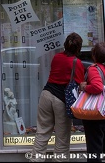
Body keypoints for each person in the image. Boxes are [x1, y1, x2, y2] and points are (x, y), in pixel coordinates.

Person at [30, 32, 85, 162]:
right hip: (61, 100)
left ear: (65, 44)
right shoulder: (77, 63)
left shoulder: (57, 57)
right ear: (79, 48)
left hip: (46, 94)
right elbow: (80, 84)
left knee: (42, 133)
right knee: (62, 138)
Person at [79, 42, 105, 162]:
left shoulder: (94, 69)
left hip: (96, 113)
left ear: (94, 55)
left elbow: (97, 87)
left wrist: (84, 87)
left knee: (94, 149)